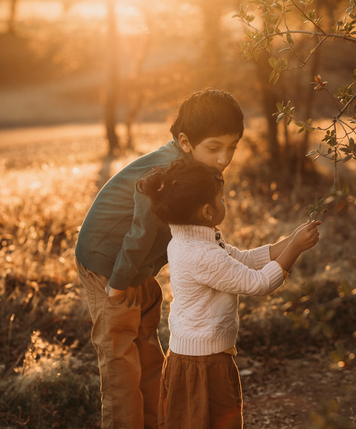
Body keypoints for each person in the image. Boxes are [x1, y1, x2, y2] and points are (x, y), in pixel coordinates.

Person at [74, 89, 245, 429]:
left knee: (149, 357)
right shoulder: (166, 175)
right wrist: (119, 284)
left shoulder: (198, 172)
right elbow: (140, 233)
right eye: (214, 148)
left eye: (232, 147)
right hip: (107, 265)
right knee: (121, 365)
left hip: (135, 268)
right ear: (185, 142)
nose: (224, 158)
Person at [137, 160, 321, 429]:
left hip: (200, 356)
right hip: (203, 363)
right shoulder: (201, 254)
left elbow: (243, 259)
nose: (225, 202)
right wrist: (293, 249)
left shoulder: (196, 239)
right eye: (221, 199)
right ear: (208, 211)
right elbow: (257, 284)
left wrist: (289, 241)